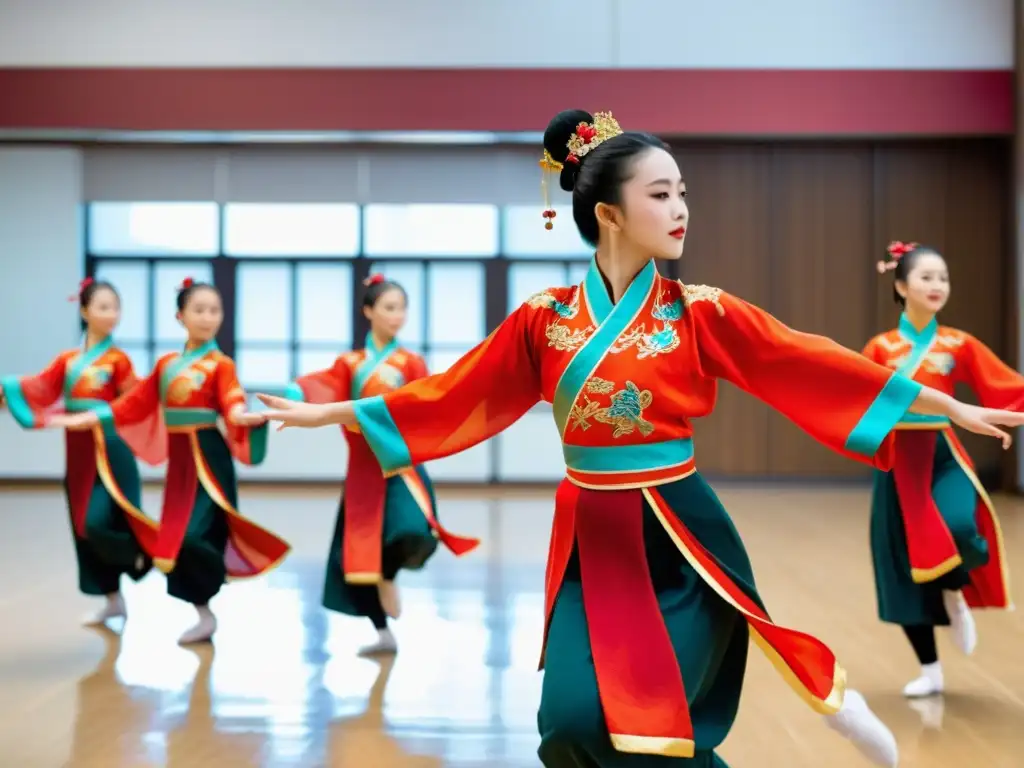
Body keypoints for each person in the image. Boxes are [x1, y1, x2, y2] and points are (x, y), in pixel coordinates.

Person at [253, 110, 1024, 768]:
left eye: (684, 192)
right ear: (610, 213)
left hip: (679, 534)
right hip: (592, 537)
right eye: (662, 194)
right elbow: (453, 393)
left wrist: (943, 405)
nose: (682, 208)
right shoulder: (543, 320)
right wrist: (330, 414)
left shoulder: (700, 312)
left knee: (648, 724)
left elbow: (805, 361)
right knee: (570, 726)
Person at [48, 279, 291, 645]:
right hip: (180, 464)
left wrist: (244, 417)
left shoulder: (220, 364)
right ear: (181, 316)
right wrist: (90, 419)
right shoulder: (167, 365)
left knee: (196, 535)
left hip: (209, 459)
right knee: (175, 539)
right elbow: (132, 404)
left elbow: (232, 403)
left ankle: (206, 595)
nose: (208, 317)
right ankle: (203, 613)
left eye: (215, 310)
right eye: (199, 310)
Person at [284, 274, 478, 655]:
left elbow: (429, 400)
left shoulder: (411, 361)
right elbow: (318, 387)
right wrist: (293, 395)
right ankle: (382, 630)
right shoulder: (351, 362)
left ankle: (389, 575)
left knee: (415, 528)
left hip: (402, 459)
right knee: (361, 550)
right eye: (389, 307)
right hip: (363, 466)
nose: (397, 315)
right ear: (368, 311)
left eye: (402, 307)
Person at [863, 242, 1018, 699]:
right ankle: (930, 670)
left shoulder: (958, 343)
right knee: (901, 569)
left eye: (943, 278)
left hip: (942, 454)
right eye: (927, 277)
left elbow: (1004, 384)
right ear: (901, 286)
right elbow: (856, 396)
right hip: (897, 464)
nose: (937, 286)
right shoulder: (881, 347)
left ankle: (955, 590)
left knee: (960, 528)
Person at [0, 278, 157, 626]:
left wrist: (101, 414)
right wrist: (8, 390)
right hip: (79, 452)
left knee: (99, 522)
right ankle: (113, 600)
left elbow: (134, 402)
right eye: (103, 307)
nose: (112, 314)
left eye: (116, 307)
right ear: (84, 311)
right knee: (83, 527)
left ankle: (143, 554)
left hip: (112, 449)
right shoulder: (68, 360)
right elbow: (39, 388)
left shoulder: (119, 361)